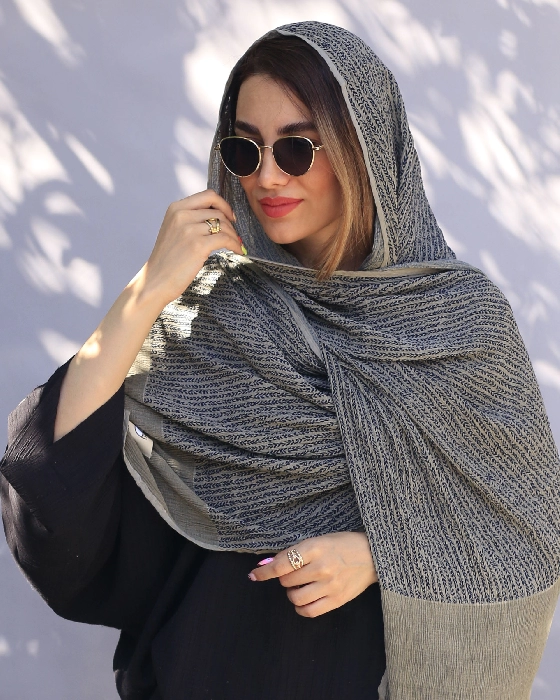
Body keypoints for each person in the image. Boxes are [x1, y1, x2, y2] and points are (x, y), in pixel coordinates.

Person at [2, 20, 560, 700]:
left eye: (297, 148)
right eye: (244, 149)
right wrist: (146, 291)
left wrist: (383, 557)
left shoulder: (461, 324)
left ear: (365, 149)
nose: (266, 177)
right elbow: (54, 488)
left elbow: (529, 536)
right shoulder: (206, 312)